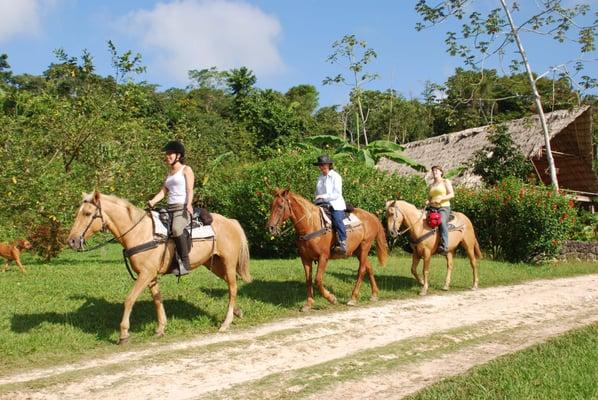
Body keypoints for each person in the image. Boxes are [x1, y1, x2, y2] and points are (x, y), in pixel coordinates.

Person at [148, 141, 195, 276]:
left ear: (178, 156)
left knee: (176, 229)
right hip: (169, 207)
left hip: (181, 207)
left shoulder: (186, 170)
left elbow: (190, 190)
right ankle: (168, 261)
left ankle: (185, 263)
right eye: (166, 154)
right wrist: (152, 201)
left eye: (170, 154)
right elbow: (163, 191)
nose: (167, 156)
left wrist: (189, 205)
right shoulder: (169, 173)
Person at [314, 155, 347, 255]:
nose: (321, 167)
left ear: (329, 165)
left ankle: (342, 242)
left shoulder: (336, 177)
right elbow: (317, 192)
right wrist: (317, 199)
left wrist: (322, 196)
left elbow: (337, 194)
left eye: (323, 164)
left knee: (337, 220)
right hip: (321, 204)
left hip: (335, 204)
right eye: (320, 165)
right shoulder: (320, 177)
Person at [426, 165, 454, 254]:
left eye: (436, 171)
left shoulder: (445, 182)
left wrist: (441, 199)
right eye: (433, 171)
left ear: (441, 172)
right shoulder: (431, 185)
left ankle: (444, 246)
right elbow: (430, 198)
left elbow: (452, 194)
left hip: (443, 207)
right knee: (422, 220)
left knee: (441, 221)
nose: (435, 172)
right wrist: (427, 201)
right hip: (432, 207)